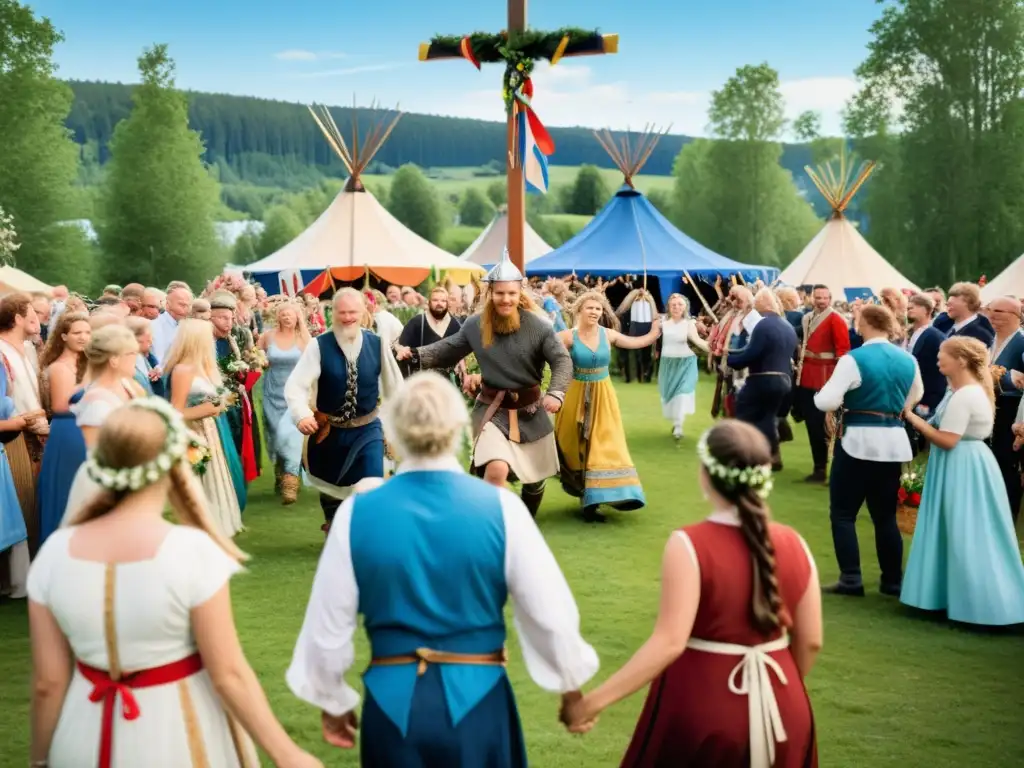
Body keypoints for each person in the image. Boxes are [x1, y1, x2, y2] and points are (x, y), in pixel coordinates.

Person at [286, 372, 598, 765]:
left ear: (393, 431)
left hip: (392, 701)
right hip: (480, 698)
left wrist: (331, 699)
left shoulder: (355, 515)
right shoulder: (501, 509)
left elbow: (328, 624)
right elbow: (547, 611)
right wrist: (571, 690)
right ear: (459, 428)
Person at [27, 398, 322, 768]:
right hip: (175, 728)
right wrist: (288, 754)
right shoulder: (191, 551)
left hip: (83, 729)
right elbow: (228, 673)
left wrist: (39, 759)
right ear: (173, 463)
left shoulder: (54, 552)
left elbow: (48, 683)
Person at [561, 420, 821, 767]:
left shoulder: (689, 545)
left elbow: (669, 641)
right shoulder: (797, 544)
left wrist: (590, 703)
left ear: (706, 475)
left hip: (705, 706)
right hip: (786, 709)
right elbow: (812, 640)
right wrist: (782, 689)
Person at [395, 251, 572, 517]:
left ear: (519, 293)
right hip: (491, 408)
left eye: (511, 294)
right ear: (490, 292)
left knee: (534, 481)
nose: (505, 299)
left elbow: (561, 359)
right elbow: (448, 349)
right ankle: (489, 523)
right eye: (500, 293)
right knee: (496, 468)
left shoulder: (540, 326)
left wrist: (556, 392)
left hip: (531, 410)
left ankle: (524, 521)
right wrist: (416, 354)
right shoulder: (475, 324)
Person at [901, 338, 1024, 625]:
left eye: (943, 356)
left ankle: (976, 602)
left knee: (965, 530)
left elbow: (947, 439)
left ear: (961, 360)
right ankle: (948, 596)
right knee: (955, 528)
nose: (938, 361)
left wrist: (910, 417)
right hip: (963, 463)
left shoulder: (966, 394)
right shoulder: (960, 391)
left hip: (963, 465)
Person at [814, 305, 923, 597]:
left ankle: (851, 578)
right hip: (894, 442)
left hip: (858, 440)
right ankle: (892, 580)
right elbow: (917, 395)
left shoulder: (854, 358)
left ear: (866, 323)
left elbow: (826, 401)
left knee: (843, 513)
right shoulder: (907, 359)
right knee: (884, 515)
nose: (856, 325)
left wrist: (821, 396)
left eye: (858, 321)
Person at [285, 288, 400, 535]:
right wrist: (301, 414)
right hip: (329, 432)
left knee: (371, 484)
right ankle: (336, 531)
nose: (348, 317)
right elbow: (295, 385)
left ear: (364, 312)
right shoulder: (319, 345)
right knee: (332, 487)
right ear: (333, 313)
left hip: (368, 429)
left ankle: (367, 538)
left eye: (353, 312)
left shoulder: (377, 344)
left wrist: (395, 425)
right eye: (342, 312)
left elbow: (395, 388)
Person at [555, 291, 659, 522]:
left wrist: (655, 329)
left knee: (604, 442)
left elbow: (637, 342)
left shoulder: (608, 335)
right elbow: (542, 351)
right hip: (575, 394)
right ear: (579, 310)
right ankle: (584, 494)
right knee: (576, 444)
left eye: (598, 309)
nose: (594, 312)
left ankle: (599, 499)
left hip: (603, 395)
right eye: (590, 308)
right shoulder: (567, 337)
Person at [165, 320, 246, 538]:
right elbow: (175, 411)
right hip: (194, 431)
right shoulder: (183, 369)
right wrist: (208, 408)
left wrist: (217, 406)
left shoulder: (204, 365)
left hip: (211, 429)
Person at [36, 312, 91, 547]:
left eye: (88, 332)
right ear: (64, 336)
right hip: (68, 431)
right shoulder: (59, 368)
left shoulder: (83, 364)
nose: (83, 337)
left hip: (83, 429)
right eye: (77, 333)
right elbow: (60, 405)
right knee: (68, 491)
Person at [728, 288, 798, 470]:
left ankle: (744, 457)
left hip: (762, 378)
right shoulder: (787, 326)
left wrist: (729, 359)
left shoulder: (763, 325)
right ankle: (772, 455)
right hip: (784, 380)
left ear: (762, 303)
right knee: (767, 418)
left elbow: (752, 354)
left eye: (756, 303)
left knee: (743, 413)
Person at [794, 285, 850, 483]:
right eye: (818, 297)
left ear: (830, 298)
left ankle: (831, 469)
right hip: (807, 376)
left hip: (825, 377)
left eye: (825, 297)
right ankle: (819, 468)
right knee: (812, 425)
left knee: (825, 427)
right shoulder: (807, 317)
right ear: (811, 298)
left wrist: (838, 383)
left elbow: (843, 352)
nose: (821, 301)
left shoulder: (836, 319)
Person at [259, 300, 310, 505]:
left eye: (291, 314)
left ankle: (291, 482)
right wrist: (258, 360)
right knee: (276, 435)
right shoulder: (267, 337)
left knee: (293, 435)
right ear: (277, 316)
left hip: (296, 395)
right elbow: (255, 356)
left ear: (298, 317)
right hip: (272, 393)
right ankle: (281, 472)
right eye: (283, 314)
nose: (287, 317)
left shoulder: (304, 338)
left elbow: (314, 364)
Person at [983, 295, 1024, 523]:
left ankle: (1007, 515)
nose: (992, 316)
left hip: (1012, 410)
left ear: (1015, 316)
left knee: (1006, 462)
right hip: (992, 409)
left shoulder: (1021, 342)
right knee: (991, 462)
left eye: (998, 312)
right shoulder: (992, 340)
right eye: (990, 310)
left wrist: (1007, 378)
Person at [657, 294, 709, 440]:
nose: (676, 307)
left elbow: (698, 341)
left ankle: (678, 427)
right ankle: (676, 421)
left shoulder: (689, 323)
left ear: (685, 306)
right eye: (673, 305)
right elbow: (650, 336)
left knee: (682, 393)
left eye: (680, 304)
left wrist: (714, 348)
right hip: (668, 363)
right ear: (668, 307)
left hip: (686, 363)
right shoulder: (662, 323)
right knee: (670, 395)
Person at [397, 286, 463, 380]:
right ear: (429, 302)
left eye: (443, 301)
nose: (439, 304)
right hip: (421, 379)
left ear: (447, 304)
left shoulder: (455, 325)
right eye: (435, 300)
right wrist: (403, 351)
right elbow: (401, 346)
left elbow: (462, 352)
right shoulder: (417, 322)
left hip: (448, 381)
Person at [616, 283, 659, 383]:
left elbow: (655, 317)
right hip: (631, 330)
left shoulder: (649, 302)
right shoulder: (629, 303)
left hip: (647, 329)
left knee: (646, 355)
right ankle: (631, 377)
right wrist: (632, 295)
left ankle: (645, 377)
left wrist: (650, 299)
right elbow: (620, 312)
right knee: (632, 355)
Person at [149, 285, 192, 364]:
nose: (186, 310)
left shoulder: (186, 326)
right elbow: (159, 360)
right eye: (182, 305)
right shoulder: (156, 325)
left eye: (189, 306)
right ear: (168, 304)